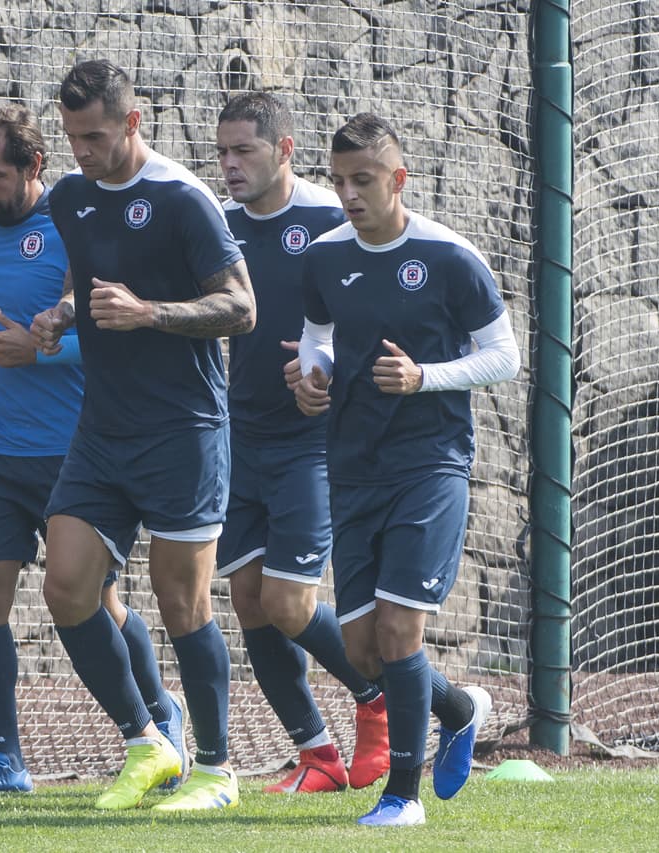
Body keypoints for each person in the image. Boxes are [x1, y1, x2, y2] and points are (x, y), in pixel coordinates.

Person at [0, 103, 185, 795]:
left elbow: (106, 331)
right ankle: (5, 758)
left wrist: (38, 356)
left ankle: (161, 718)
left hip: (76, 454)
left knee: (97, 601)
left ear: (34, 166)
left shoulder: (76, 226)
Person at [31, 59, 255, 813]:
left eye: (93, 136)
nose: (81, 152)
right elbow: (86, 277)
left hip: (182, 430)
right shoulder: (70, 198)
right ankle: (148, 742)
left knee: (182, 600)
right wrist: (64, 312)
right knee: (66, 582)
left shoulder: (183, 199)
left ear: (133, 121)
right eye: (70, 138)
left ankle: (218, 769)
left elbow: (240, 307)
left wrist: (151, 312)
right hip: (102, 428)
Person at [288, 112, 520, 826]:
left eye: (364, 180)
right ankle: (458, 707)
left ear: (399, 180)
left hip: (431, 463)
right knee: (363, 653)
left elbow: (504, 357)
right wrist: (311, 375)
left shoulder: (450, 257)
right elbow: (317, 337)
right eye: (339, 181)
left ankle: (402, 797)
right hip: (353, 464)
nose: (350, 194)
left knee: (398, 633)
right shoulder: (325, 256)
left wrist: (425, 377)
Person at [213, 92, 390, 795]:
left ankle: (380, 701)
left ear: (284, 151)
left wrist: (327, 366)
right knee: (250, 600)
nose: (229, 164)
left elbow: (383, 323)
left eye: (244, 151)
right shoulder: (216, 224)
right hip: (236, 437)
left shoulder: (329, 220)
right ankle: (316, 751)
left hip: (312, 444)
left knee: (288, 603)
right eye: (222, 151)